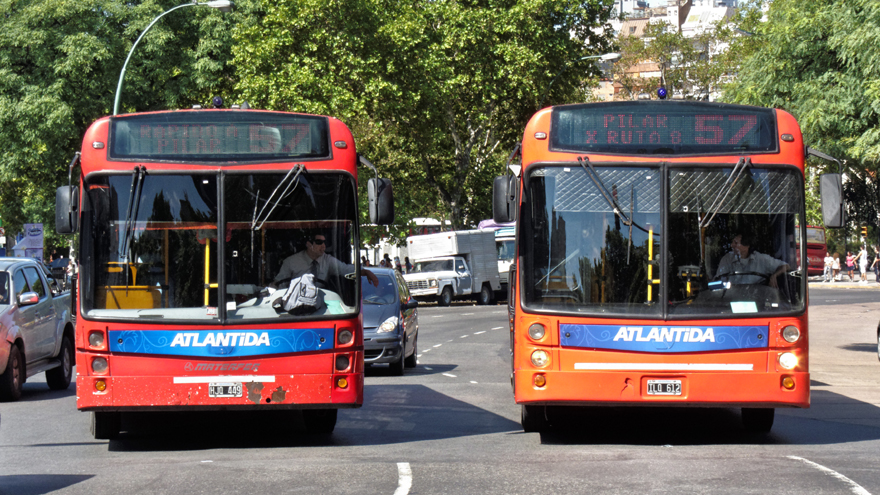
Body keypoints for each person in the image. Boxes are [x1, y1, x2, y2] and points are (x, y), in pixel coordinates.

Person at [271, 232, 378, 289]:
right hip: (296, 308)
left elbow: (345, 269)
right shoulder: (291, 262)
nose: (323, 246)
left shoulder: (327, 260)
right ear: (309, 244)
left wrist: (365, 271)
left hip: (321, 309)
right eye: (319, 242)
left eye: (324, 242)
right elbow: (279, 284)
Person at [715, 233, 790, 288]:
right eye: (732, 242)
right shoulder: (727, 259)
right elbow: (719, 280)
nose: (732, 245)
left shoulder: (761, 259)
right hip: (731, 297)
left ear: (746, 246)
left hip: (757, 298)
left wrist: (775, 275)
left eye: (736, 243)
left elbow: (786, 266)